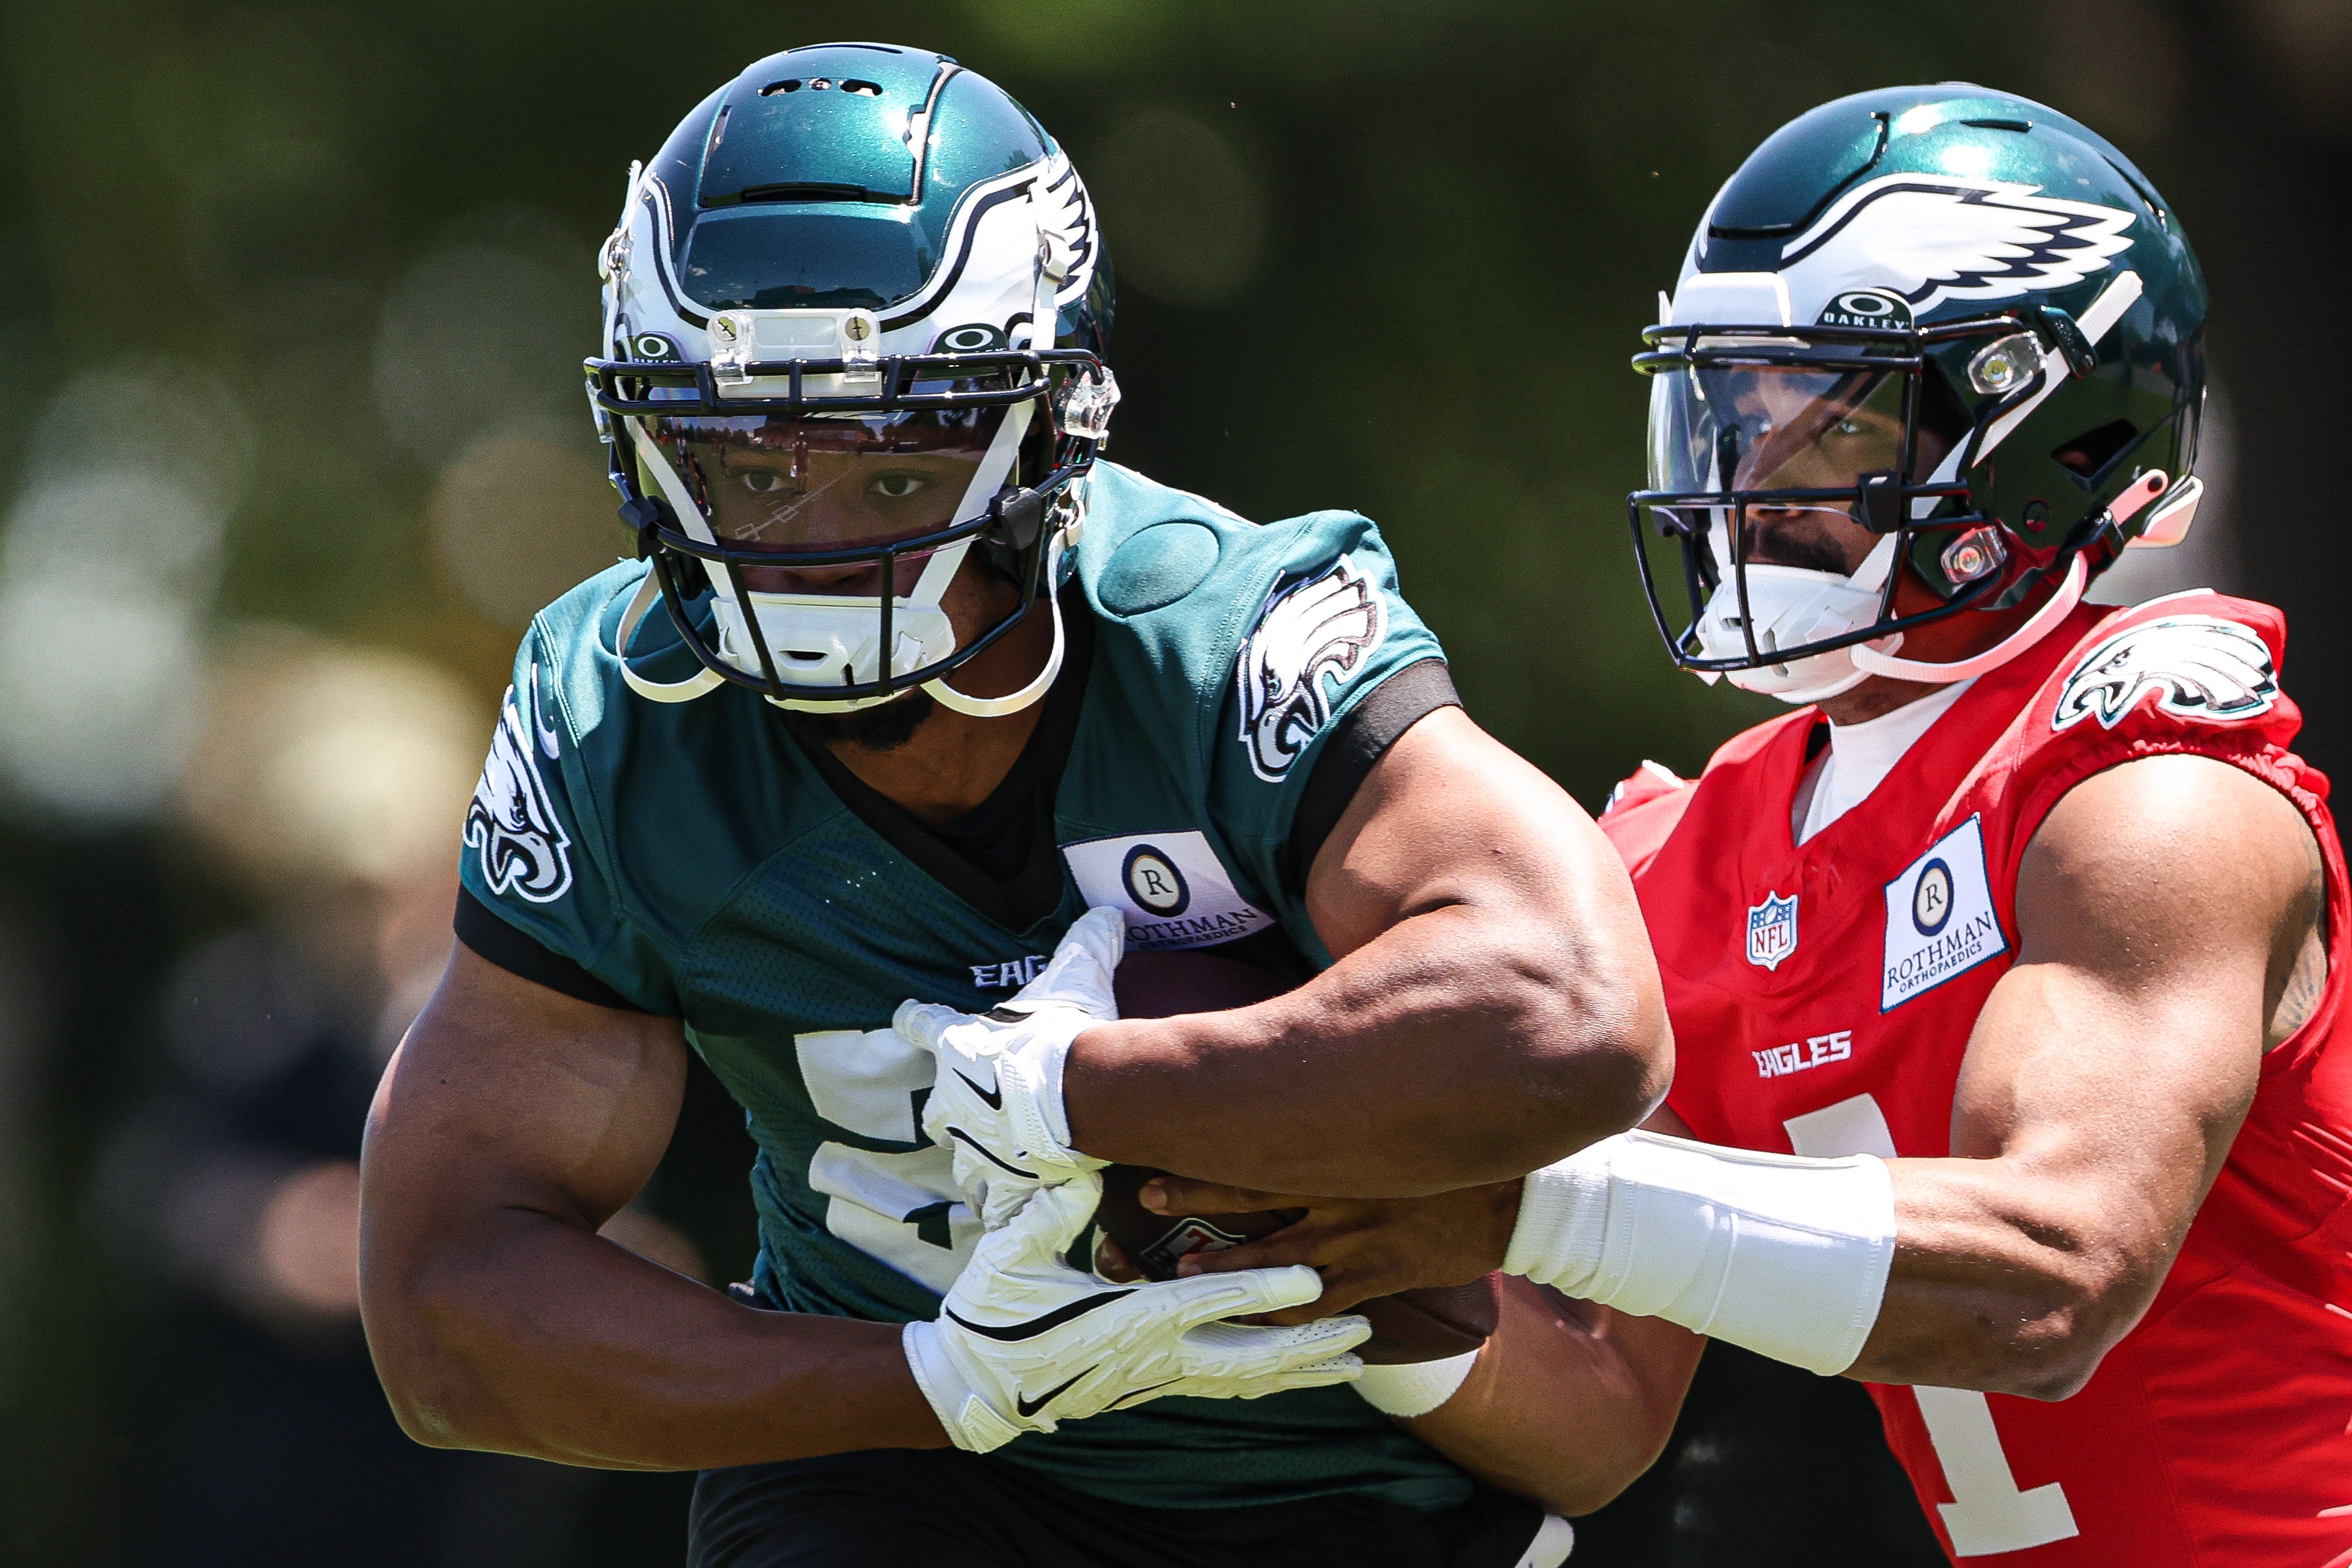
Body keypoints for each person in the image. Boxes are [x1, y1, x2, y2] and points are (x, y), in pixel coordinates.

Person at [358, 43, 1675, 1568]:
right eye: (749, 466)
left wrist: (1087, 1093)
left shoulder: (1213, 633)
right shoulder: (618, 707)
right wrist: (938, 1383)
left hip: (1331, 1479)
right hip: (897, 1481)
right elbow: (445, 1309)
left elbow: (1572, 1006)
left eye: (893, 470)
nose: (811, 543)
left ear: (1052, 430)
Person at [1153, 86, 2352, 1564]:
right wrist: (1335, 1269)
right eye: (1731, 414)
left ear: (2042, 430)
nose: (1748, 484)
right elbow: (1596, 1410)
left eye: (1831, 422)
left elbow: (2051, 1276)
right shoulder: (1690, 854)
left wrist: (1513, 1210)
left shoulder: (2143, 792)